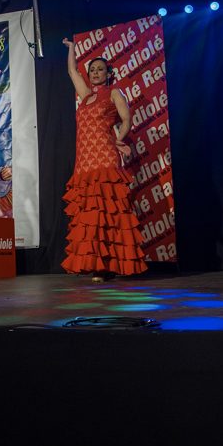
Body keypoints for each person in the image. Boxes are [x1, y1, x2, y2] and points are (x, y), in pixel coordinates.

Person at [60, 39, 147, 282]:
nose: (96, 73)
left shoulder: (114, 93)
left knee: (108, 212)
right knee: (91, 215)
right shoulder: (86, 95)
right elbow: (72, 71)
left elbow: (126, 120)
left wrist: (119, 139)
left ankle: (110, 265)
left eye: (100, 69)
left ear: (109, 74)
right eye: (92, 70)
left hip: (105, 157)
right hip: (84, 161)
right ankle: (99, 265)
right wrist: (72, 48)